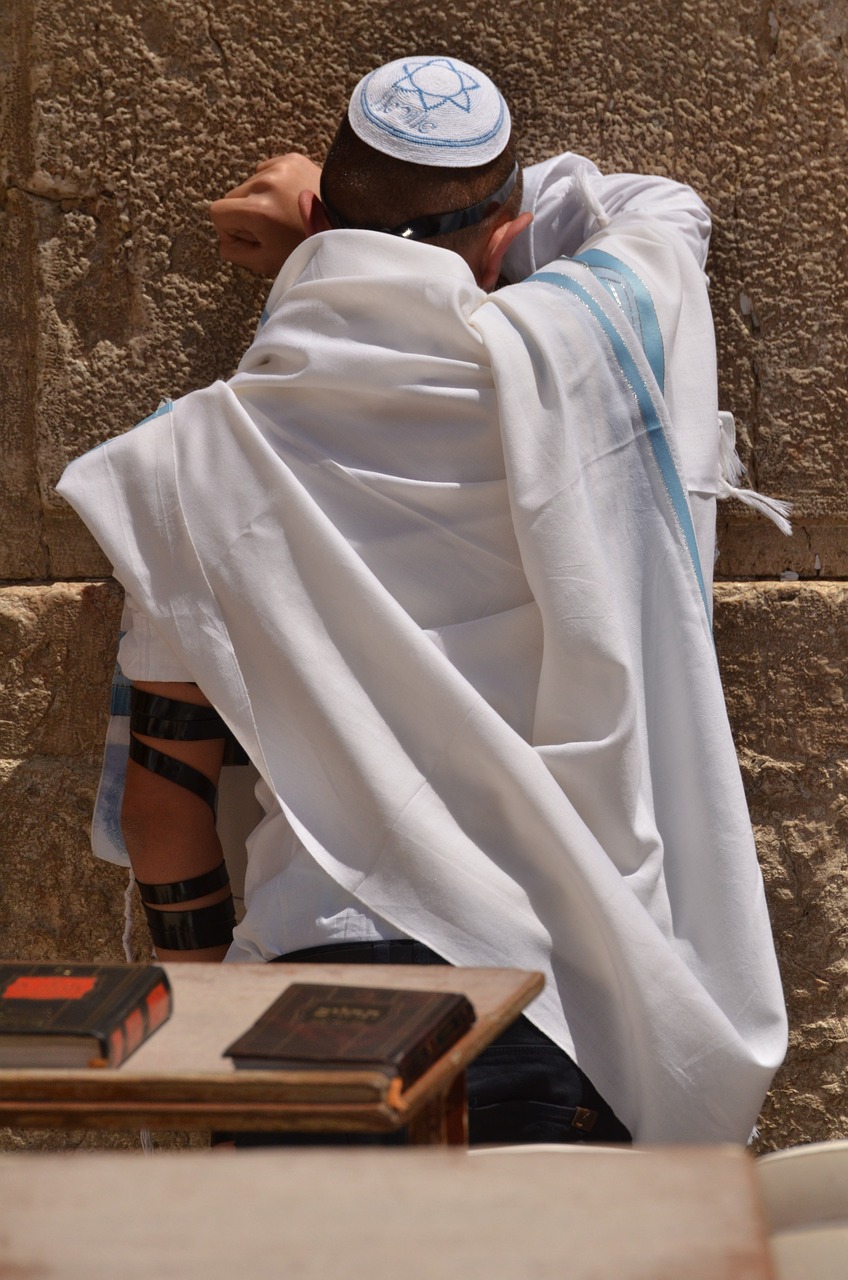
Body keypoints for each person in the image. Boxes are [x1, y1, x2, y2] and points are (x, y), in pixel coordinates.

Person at [58, 54, 787, 1145]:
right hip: (557, 1013)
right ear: (507, 231)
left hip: (307, 1019)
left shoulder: (192, 464)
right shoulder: (573, 357)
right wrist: (368, 224)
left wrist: (211, 1053)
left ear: (324, 214)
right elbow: (657, 209)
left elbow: (168, 804)